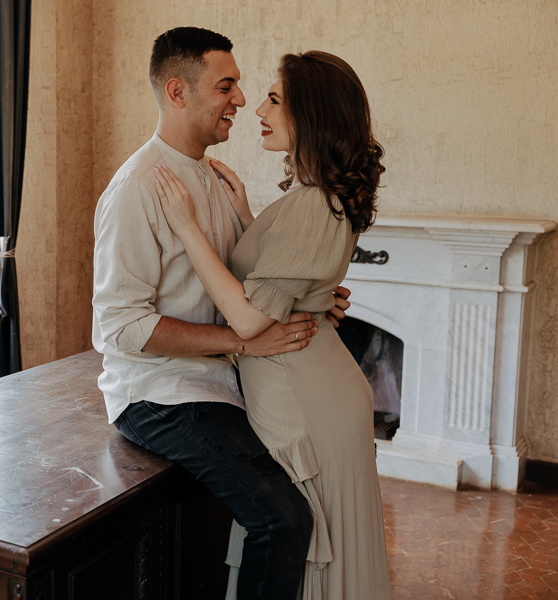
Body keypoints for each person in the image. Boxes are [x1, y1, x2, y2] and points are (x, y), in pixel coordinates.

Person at [92, 27, 350, 599]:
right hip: (162, 397)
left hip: (222, 387)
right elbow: (120, 328)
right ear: (178, 92)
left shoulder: (213, 178)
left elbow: (247, 288)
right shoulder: (136, 188)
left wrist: (308, 297)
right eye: (227, 86)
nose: (241, 99)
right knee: (284, 518)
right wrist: (241, 343)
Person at [154, 51, 392, 599]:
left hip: (305, 400)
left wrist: (189, 228)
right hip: (308, 382)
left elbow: (245, 315)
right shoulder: (313, 196)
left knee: (312, 558)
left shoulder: (315, 204)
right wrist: (245, 216)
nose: (257, 107)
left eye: (275, 99)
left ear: (312, 115)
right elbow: (284, 274)